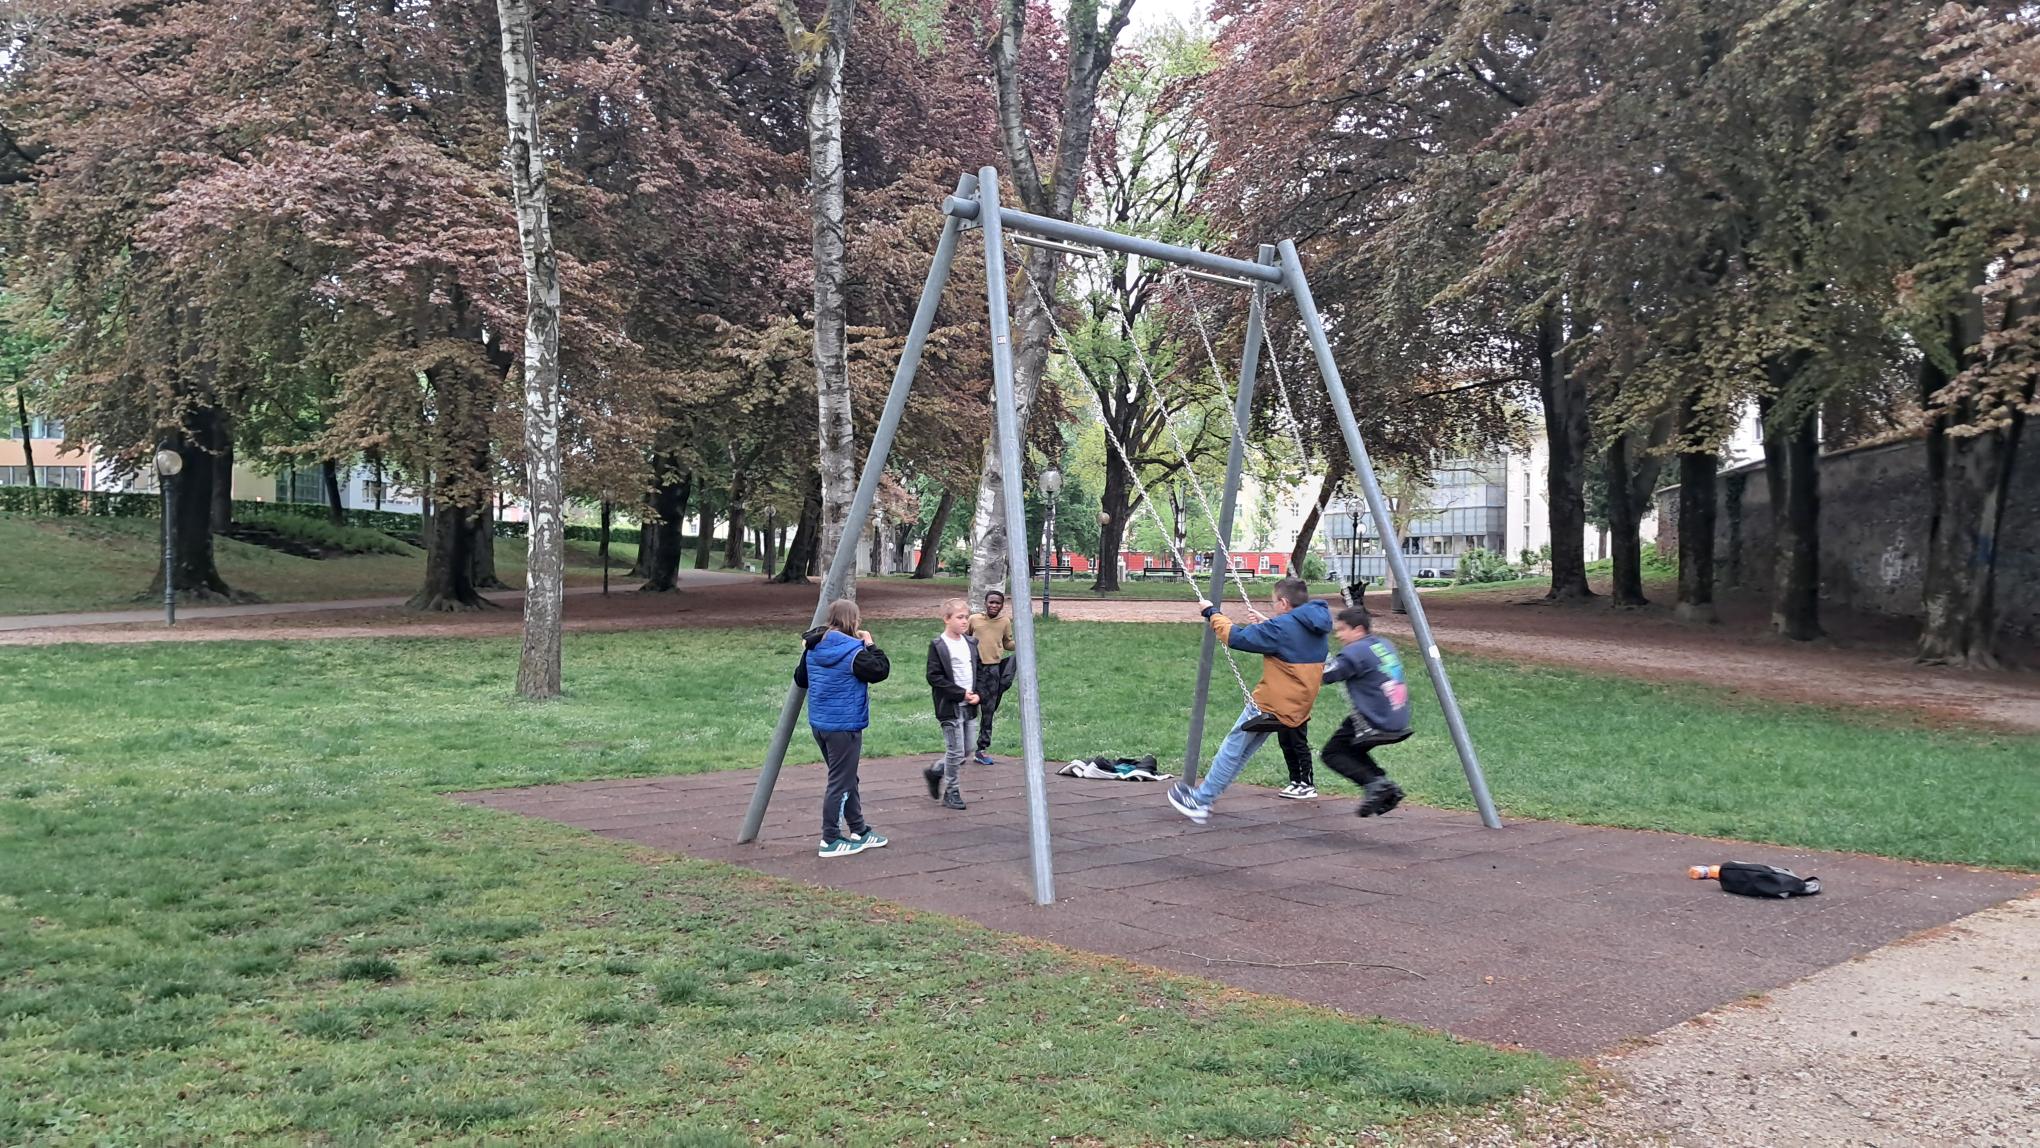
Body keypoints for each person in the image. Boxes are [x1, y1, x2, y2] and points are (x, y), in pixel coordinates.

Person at [1166, 577, 1332, 823]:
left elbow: (1236, 637)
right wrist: (1267, 623)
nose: (1273, 606)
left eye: (1274, 602)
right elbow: (1292, 642)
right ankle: (1206, 796)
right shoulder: (1316, 625)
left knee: (1232, 749)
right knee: (1242, 752)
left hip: (1271, 704)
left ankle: (1201, 802)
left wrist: (1211, 613)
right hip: (1297, 706)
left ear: (1284, 603)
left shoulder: (1281, 628)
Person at [793, 599, 892, 857]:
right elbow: (881, 670)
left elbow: (800, 679)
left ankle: (859, 829)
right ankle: (830, 838)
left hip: (821, 725)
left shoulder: (813, 647)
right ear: (854, 620)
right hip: (844, 726)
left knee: (847, 778)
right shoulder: (855, 652)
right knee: (840, 782)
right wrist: (871, 644)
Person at [1320, 604, 1410, 817]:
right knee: (1351, 750)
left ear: (1359, 630)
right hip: (1397, 715)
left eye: (1342, 630)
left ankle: (1375, 785)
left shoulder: (1356, 651)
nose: (1338, 635)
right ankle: (1382, 784)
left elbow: (1326, 675)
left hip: (1374, 719)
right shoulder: (1384, 644)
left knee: (1332, 753)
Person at [923, 598, 981, 810]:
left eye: (966, 617)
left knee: (967, 749)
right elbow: (934, 677)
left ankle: (937, 770)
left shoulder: (971, 643)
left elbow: (978, 671)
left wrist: (978, 694)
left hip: (970, 705)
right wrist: (960, 693)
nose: (964, 621)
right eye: (959, 617)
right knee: (955, 751)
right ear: (946, 619)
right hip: (950, 706)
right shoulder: (939, 645)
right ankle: (951, 791)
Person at [967, 590, 1015, 764]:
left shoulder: (1004, 622)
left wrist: (1022, 642)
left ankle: (982, 749)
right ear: (985, 603)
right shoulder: (974, 620)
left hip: (993, 670)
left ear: (1002, 605)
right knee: (968, 708)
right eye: (991, 602)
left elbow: (1007, 642)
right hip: (974, 669)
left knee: (988, 711)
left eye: (997, 603)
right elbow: (965, 639)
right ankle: (962, 748)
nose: (994, 605)